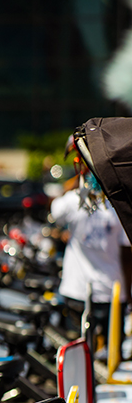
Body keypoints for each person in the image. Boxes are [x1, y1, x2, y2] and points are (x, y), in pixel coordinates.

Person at [50, 146, 132, 342]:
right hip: (111, 292)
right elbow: (127, 255)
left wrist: (77, 179)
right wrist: (128, 293)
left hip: (78, 290)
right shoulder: (121, 208)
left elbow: (53, 208)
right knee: (111, 357)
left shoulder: (72, 201)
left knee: (77, 353)